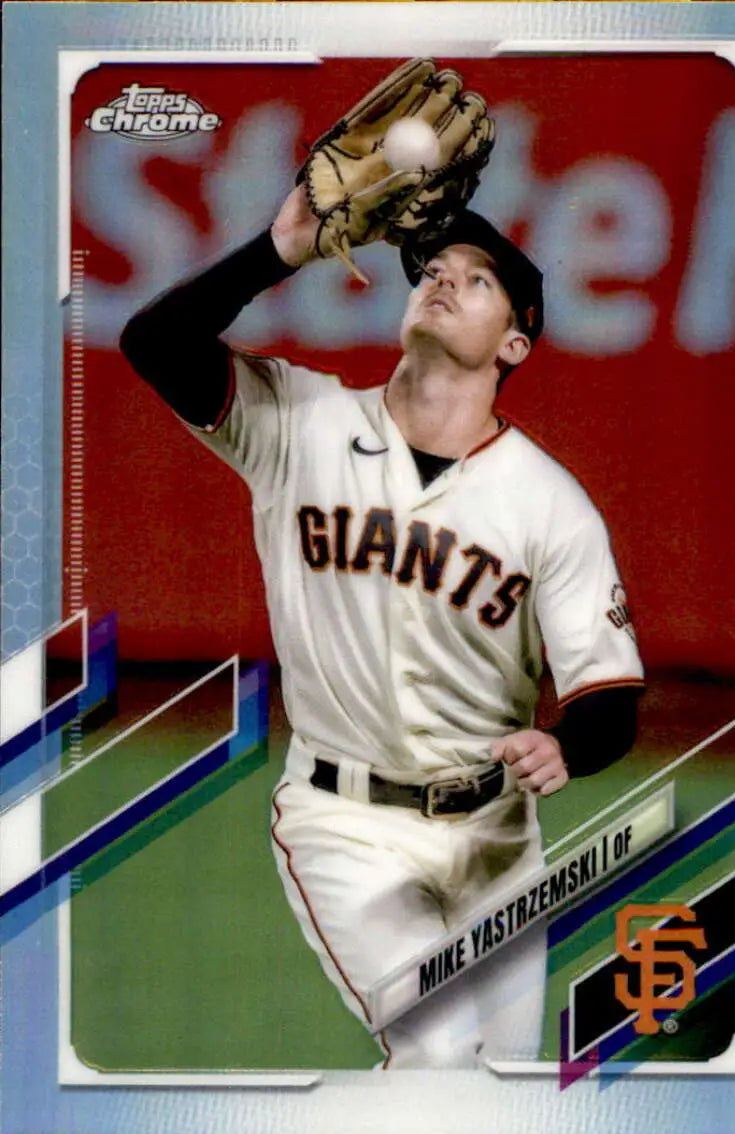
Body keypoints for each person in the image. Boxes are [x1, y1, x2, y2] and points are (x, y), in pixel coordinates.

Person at [120, 182, 645, 1069]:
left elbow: (609, 694)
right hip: (345, 822)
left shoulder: (550, 505)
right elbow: (154, 342)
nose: (443, 278)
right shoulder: (300, 421)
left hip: (497, 842)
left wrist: (566, 744)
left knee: (503, 1094)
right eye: (433, 268)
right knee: (439, 1059)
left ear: (516, 339)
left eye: (477, 280)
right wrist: (277, 249)